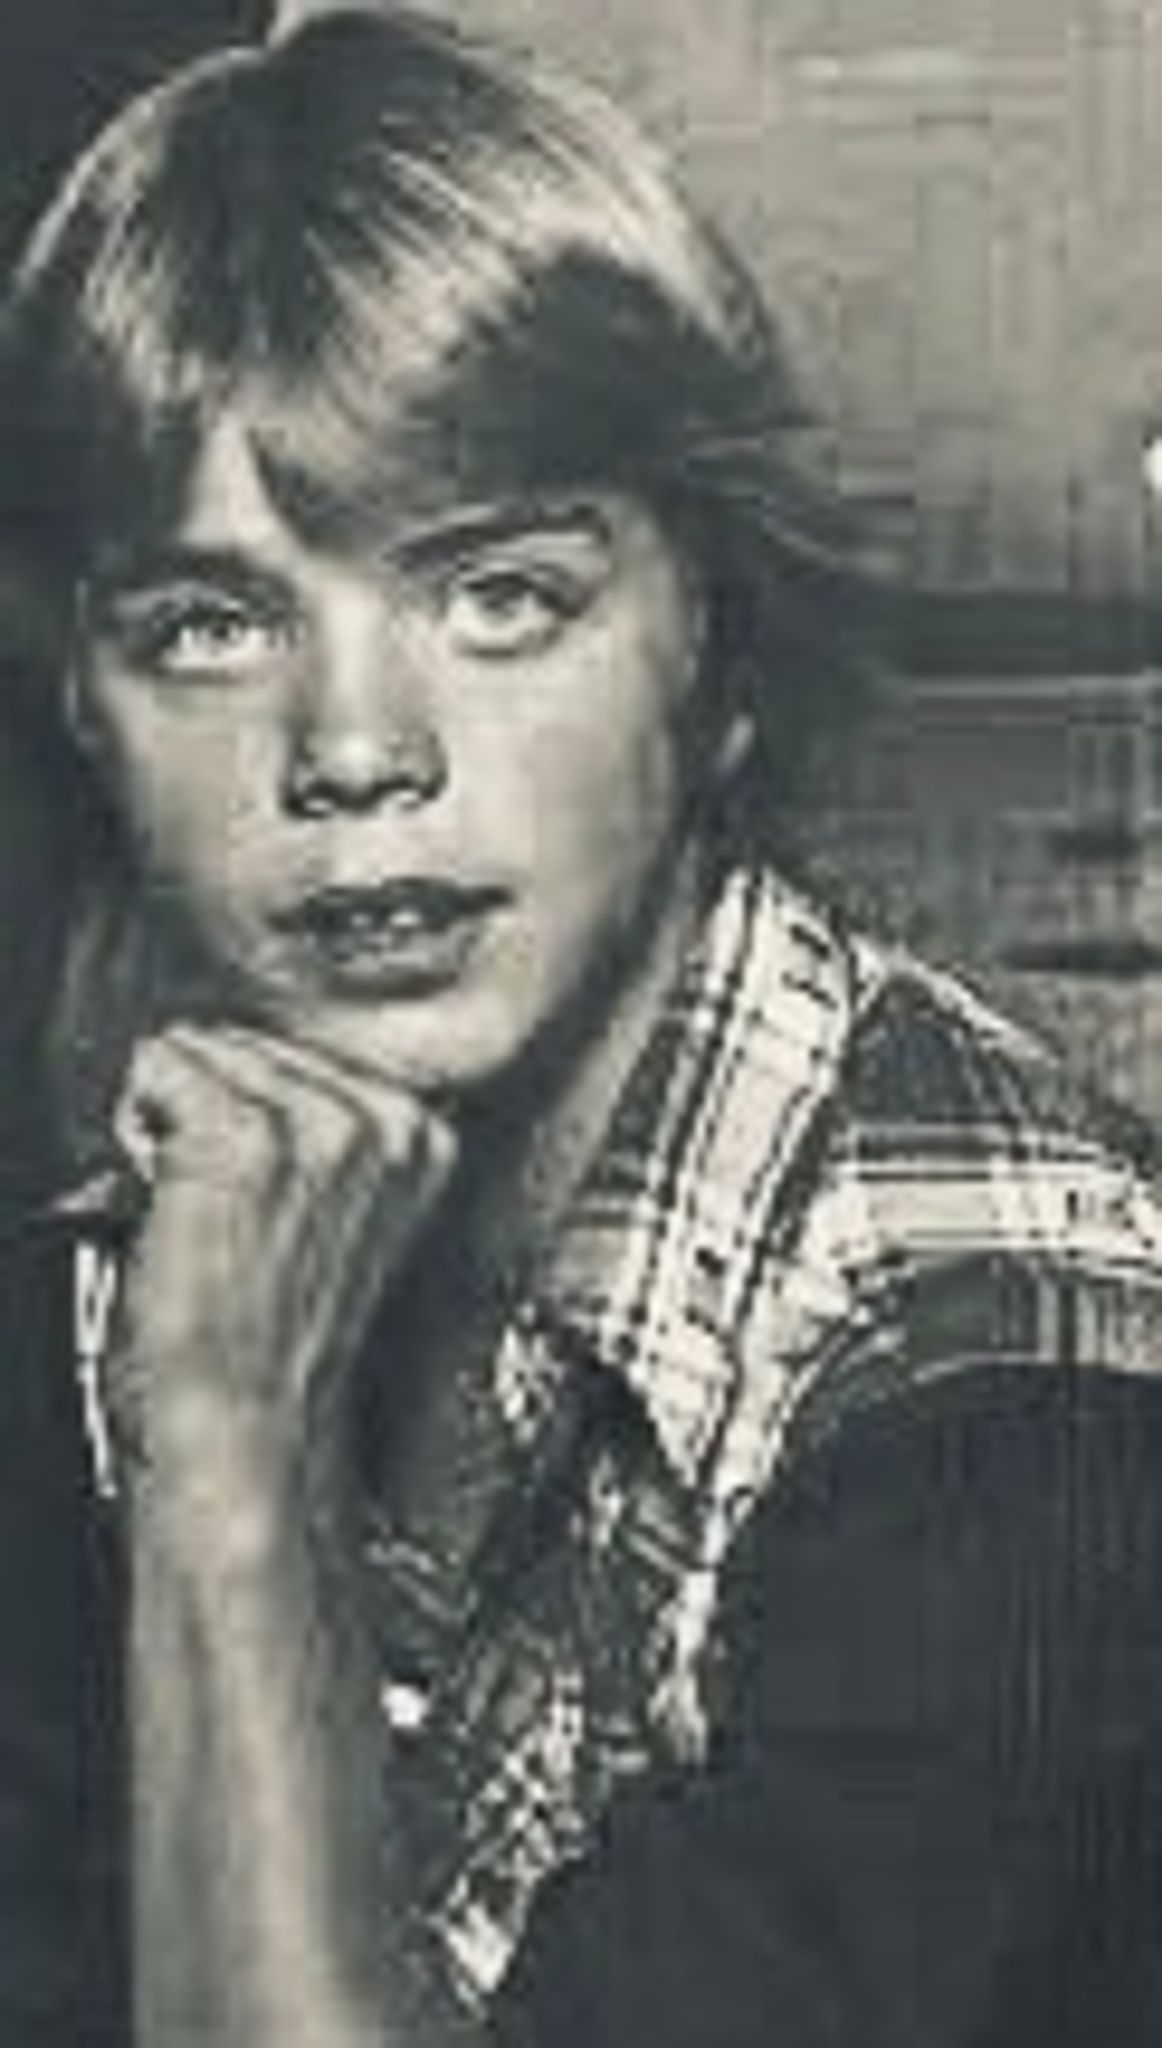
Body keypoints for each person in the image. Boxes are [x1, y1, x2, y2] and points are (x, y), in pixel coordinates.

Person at [2, 7, 1162, 2043]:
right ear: (86, 712)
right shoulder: (159, 1208)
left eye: (501, 596)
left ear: (718, 658)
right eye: (209, 625)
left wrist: (237, 1467)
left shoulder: (1031, 1415)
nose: (352, 749)